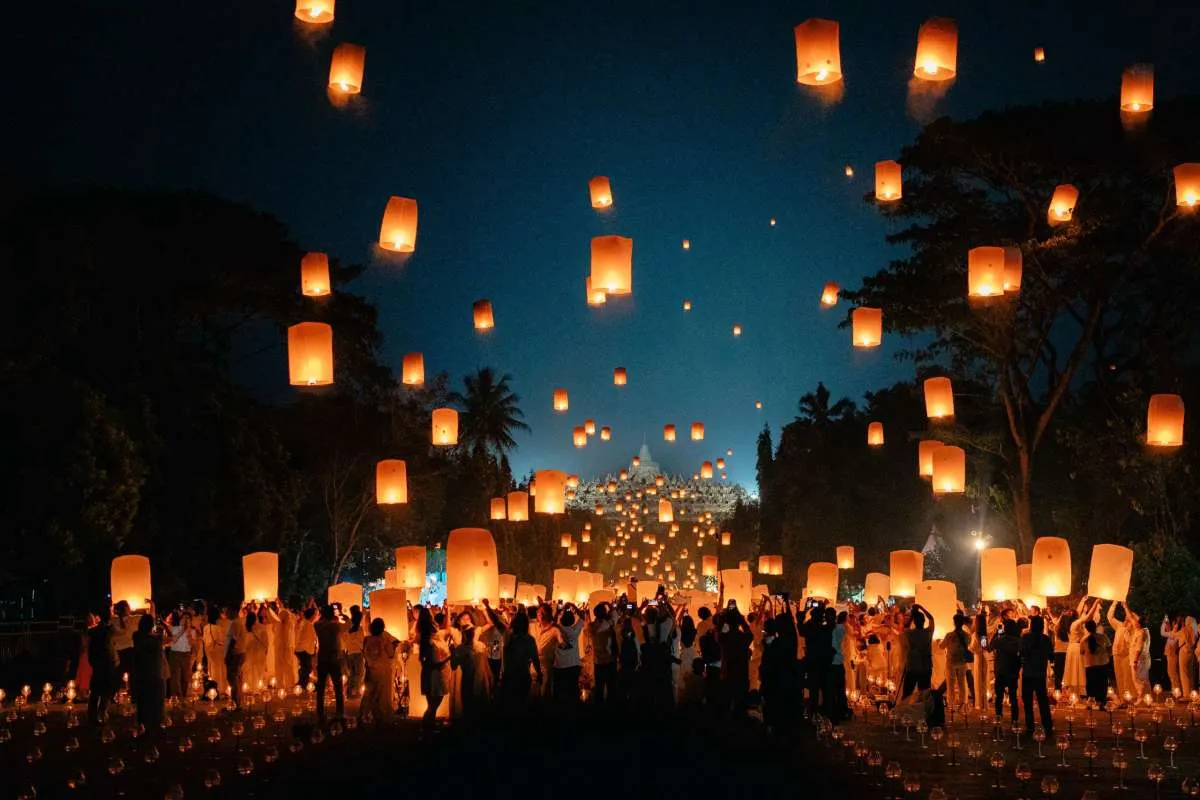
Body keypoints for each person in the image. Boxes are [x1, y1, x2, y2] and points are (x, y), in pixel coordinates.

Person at [359, 618, 399, 728]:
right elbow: (391, 653)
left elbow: (365, 653)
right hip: (383, 670)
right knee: (383, 696)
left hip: (371, 670)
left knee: (369, 694)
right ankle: (381, 718)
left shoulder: (367, 640)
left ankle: (363, 716)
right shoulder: (385, 641)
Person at [1019, 615, 1054, 736]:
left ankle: (1030, 725)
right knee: (1042, 700)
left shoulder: (1026, 637)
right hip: (1040, 673)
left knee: (1027, 700)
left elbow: (1022, 652)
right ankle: (1047, 724)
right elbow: (1051, 656)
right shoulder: (1045, 639)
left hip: (1028, 672)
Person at [417, 606, 452, 728]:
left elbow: (447, 629)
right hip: (434, 677)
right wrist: (449, 657)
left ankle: (428, 727)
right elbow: (432, 663)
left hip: (435, 675)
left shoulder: (434, 638)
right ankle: (426, 728)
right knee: (433, 705)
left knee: (432, 705)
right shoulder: (430, 642)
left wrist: (448, 611)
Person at [499, 609, 541, 706]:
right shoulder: (530, 640)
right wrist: (539, 674)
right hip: (523, 676)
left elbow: (497, 622)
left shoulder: (508, 636)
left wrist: (487, 607)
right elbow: (535, 658)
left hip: (509, 676)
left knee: (508, 705)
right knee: (521, 704)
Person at [131, 614, 164, 733]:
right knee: (154, 702)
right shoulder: (156, 640)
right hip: (153, 674)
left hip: (140, 673)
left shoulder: (136, 637)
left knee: (142, 702)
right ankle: (154, 725)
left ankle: (141, 725)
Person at [313, 604, 345, 724]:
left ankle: (320, 713)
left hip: (322, 658)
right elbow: (345, 623)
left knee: (321, 688)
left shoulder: (317, 625)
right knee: (338, 687)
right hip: (334, 658)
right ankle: (339, 712)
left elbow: (318, 623)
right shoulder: (335, 626)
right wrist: (340, 613)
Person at [551, 604, 585, 706]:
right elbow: (582, 616)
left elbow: (553, 620)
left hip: (559, 665)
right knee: (573, 690)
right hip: (573, 664)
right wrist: (573, 606)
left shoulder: (555, 629)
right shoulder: (575, 631)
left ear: (561, 620)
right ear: (573, 621)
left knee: (559, 690)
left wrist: (559, 611)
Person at [990, 618, 1022, 724]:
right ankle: (1015, 719)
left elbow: (988, 647)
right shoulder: (1018, 641)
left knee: (999, 697)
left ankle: (999, 717)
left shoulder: (999, 639)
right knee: (1013, 697)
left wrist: (993, 635)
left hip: (1000, 671)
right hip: (1012, 671)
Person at [87, 608, 116, 726]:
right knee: (106, 690)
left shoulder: (93, 631)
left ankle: (93, 716)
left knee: (95, 691)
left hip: (97, 663)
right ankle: (102, 712)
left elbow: (91, 648)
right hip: (106, 662)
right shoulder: (109, 630)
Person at [938, 613, 971, 712]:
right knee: (962, 683)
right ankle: (963, 704)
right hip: (962, 662)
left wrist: (939, 642)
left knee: (950, 684)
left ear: (954, 623)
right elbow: (968, 645)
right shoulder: (966, 635)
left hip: (951, 662)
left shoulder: (949, 635)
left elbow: (942, 646)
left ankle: (951, 704)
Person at [901, 604, 934, 701]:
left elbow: (906, 626)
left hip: (912, 666)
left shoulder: (909, 634)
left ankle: (905, 710)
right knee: (924, 694)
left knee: (907, 693)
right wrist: (921, 608)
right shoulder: (928, 633)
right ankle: (923, 711)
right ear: (924, 621)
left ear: (914, 622)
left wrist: (913, 613)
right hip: (926, 666)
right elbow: (931, 618)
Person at [589, 602, 618, 705]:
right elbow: (614, 618)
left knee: (599, 687)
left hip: (598, 661)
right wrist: (609, 605)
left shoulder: (591, 625)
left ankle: (599, 708)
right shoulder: (607, 624)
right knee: (611, 686)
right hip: (609, 660)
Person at [1081, 618, 1112, 708]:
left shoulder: (1084, 640)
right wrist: (1107, 657)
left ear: (1086, 629)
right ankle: (1102, 702)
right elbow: (1109, 648)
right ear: (1095, 627)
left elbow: (1082, 652)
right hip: (1102, 664)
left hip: (1090, 665)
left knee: (1090, 684)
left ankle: (1090, 702)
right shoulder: (1103, 637)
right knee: (1102, 684)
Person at [166, 609, 195, 699]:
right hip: (175, 654)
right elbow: (173, 640)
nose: (186, 620)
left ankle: (183, 697)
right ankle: (176, 697)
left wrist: (189, 633)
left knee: (186, 677)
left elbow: (192, 644)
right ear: (180, 619)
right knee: (175, 677)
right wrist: (183, 629)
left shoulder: (192, 631)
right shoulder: (174, 628)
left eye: (188, 618)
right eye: (184, 618)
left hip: (186, 655)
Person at [202, 607, 229, 697]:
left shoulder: (206, 627)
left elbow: (205, 640)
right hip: (219, 650)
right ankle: (221, 688)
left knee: (212, 668)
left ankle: (213, 687)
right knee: (221, 668)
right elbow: (223, 640)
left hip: (210, 651)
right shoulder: (219, 628)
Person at [294, 606, 317, 689]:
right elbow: (311, 638)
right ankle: (302, 684)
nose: (315, 616)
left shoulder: (305, 623)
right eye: (315, 615)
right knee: (306, 667)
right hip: (304, 649)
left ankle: (302, 683)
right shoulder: (308, 625)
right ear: (312, 616)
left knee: (305, 667)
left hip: (301, 648)